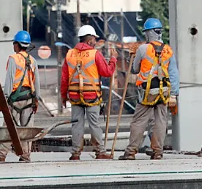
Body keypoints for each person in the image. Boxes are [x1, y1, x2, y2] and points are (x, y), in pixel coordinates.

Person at [119, 18, 178, 161]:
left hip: (147, 92)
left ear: (149, 33)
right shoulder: (168, 50)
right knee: (160, 121)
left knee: (139, 121)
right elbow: (174, 73)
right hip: (164, 92)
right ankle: (158, 152)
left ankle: (131, 152)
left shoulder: (143, 49)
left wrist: (131, 58)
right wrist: (174, 95)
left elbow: (134, 69)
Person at [61, 24, 117, 161]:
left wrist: (63, 96)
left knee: (76, 124)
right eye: (94, 39)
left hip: (74, 96)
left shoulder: (69, 54)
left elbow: (64, 78)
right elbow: (107, 72)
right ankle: (100, 152)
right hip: (92, 95)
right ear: (89, 39)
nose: (95, 42)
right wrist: (113, 60)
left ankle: (75, 154)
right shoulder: (95, 54)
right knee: (94, 124)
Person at [0, 30, 40, 163]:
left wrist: (4, 99)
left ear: (18, 45)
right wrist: (36, 99)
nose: (13, 46)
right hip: (29, 99)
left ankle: (1, 154)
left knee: (9, 127)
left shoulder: (13, 59)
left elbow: (9, 81)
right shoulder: (33, 61)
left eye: (14, 43)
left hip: (15, 99)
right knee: (27, 129)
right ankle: (25, 155)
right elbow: (36, 82)